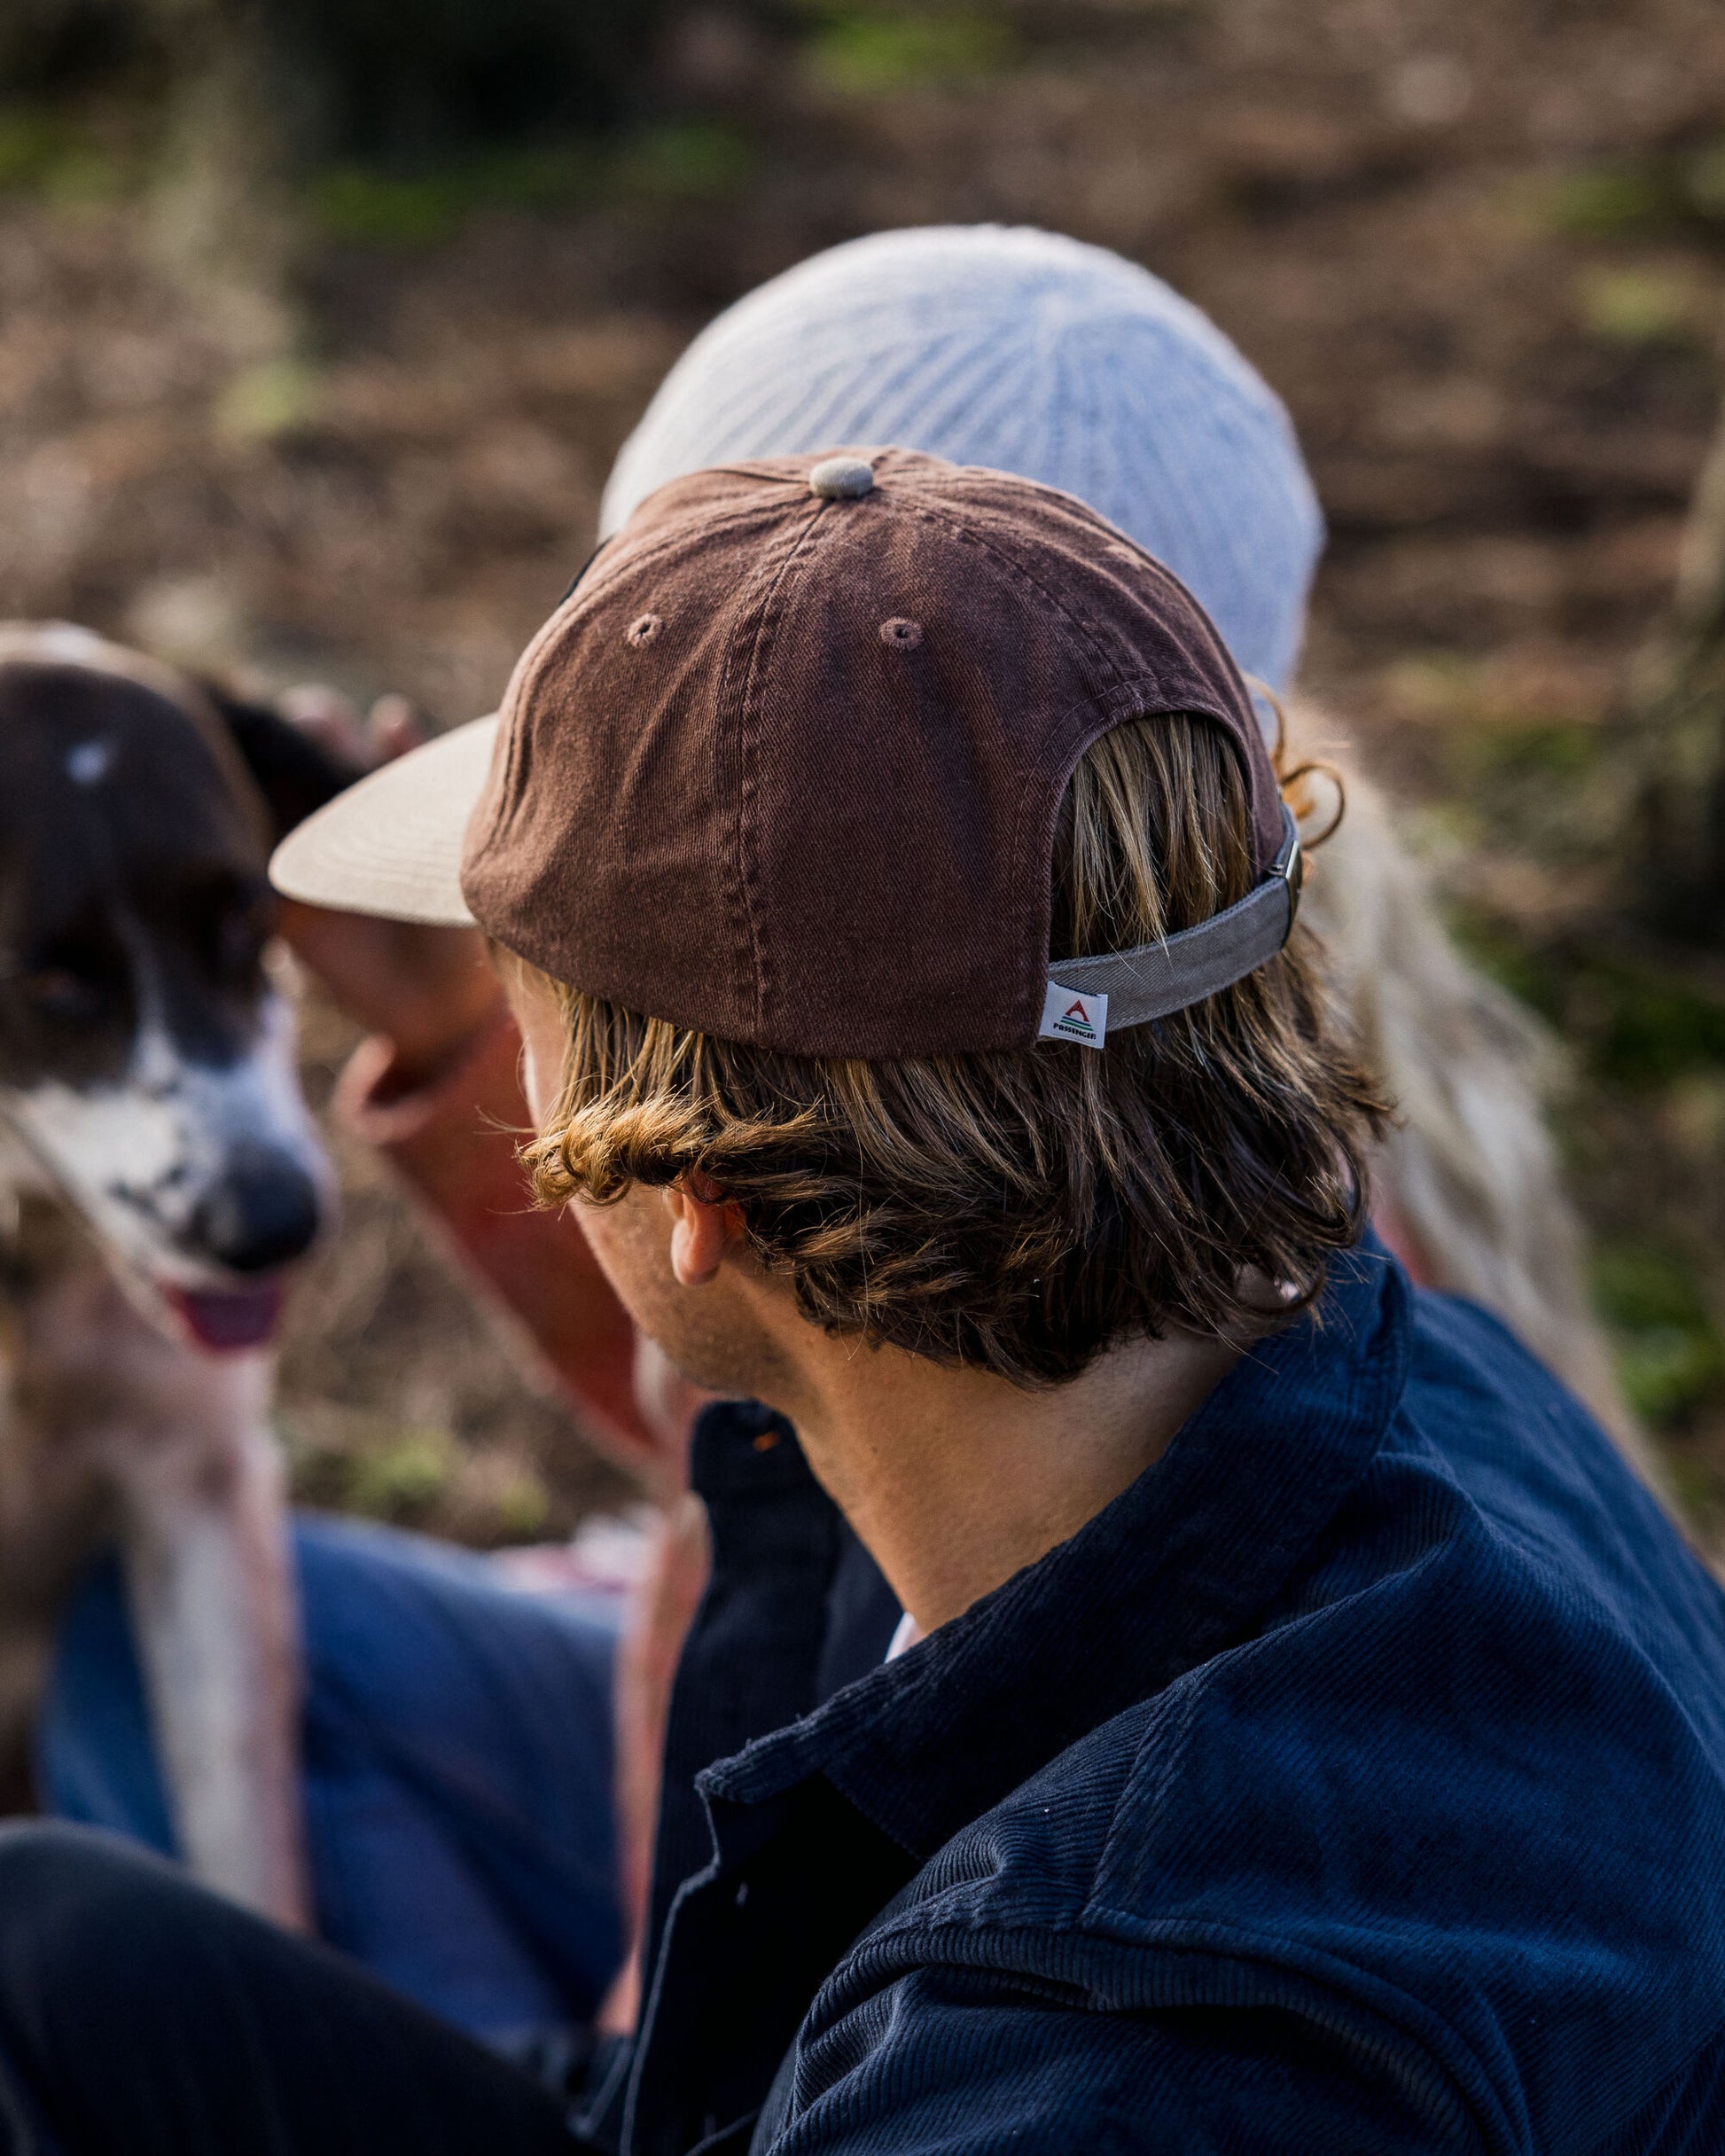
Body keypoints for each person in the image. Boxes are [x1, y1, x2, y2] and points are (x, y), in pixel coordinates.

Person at [37, 226, 1664, 2056]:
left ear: (696, 1174)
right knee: (78, 1912)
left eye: (533, 1007)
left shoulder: (1091, 2004)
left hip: (833, 1953)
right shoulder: (1258, 1183)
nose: (508, 1030)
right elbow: (801, 1366)